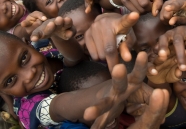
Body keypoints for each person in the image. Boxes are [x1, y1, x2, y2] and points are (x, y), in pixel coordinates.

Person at [0, 30, 158, 129]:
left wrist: (59, 36)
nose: (29, 75)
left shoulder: (46, 52)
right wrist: (111, 89)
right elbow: (61, 105)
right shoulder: (28, 107)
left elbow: (74, 58)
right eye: (9, 81)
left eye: (24, 58)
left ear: (28, 44)